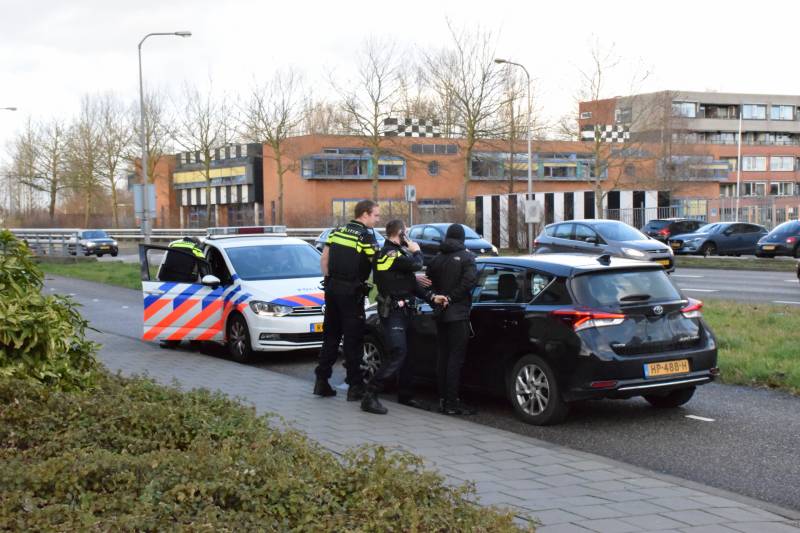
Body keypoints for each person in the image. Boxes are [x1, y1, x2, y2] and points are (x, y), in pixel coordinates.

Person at [360, 219, 447, 415]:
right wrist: (416, 250)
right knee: (398, 352)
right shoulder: (387, 254)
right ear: (400, 233)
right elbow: (417, 264)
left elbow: (411, 284)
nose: (407, 236)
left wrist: (433, 297)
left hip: (407, 312)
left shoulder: (398, 254)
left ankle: (406, 395)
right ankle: (370, 395)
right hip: (392, 313)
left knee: (410, 354)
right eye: (405, 232)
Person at [313, 200, 380, 401]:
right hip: (352, 293)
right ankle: (355, 387)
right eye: (376, 215)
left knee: (331, 337)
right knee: (353, 340)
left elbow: (324, 260)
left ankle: (322, 381)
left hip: (332, 290)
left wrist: (329, 280)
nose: (378, 219)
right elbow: (379, 264)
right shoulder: (365, 237)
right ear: (365, 214)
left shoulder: (336, 232)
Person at [426, 223, 479, 415]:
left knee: (443, 358)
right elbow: (470, 281)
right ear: (462, 238)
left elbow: (427, 283)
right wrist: (452, 297)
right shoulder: (467, 258)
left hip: (440, 315)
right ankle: (452, 403)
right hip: (458, 315)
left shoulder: (436, 259)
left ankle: (442, 399)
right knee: (455, 360)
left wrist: (438, 299)